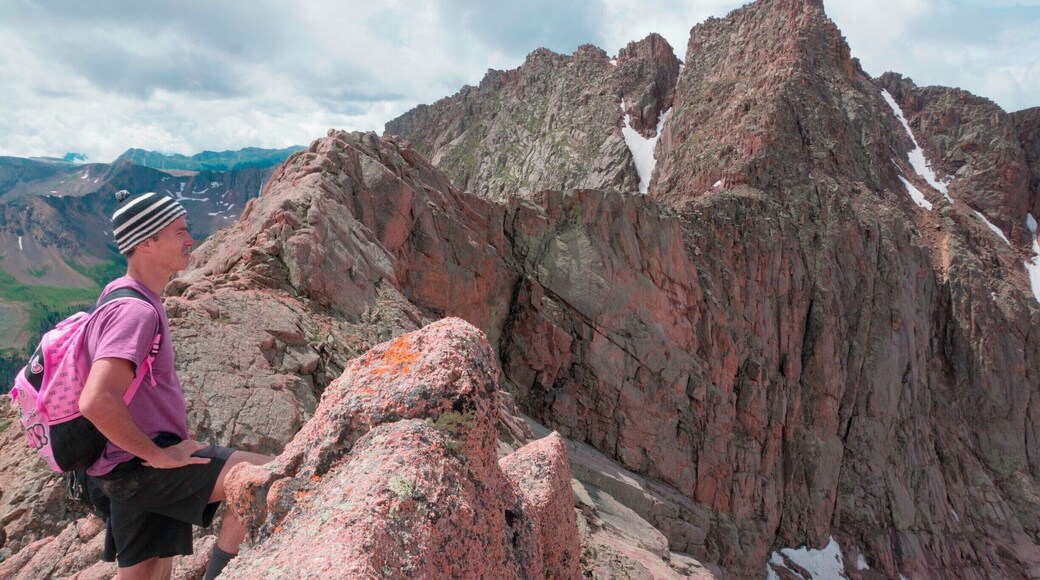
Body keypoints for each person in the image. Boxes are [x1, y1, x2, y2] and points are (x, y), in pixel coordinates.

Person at [80, 191, 271, 580]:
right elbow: (96, 400)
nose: (191, 239)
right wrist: (159, 456)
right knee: (260, 476)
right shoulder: (135, 311)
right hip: (139, 467)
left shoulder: (121, 292)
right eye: (180, 231)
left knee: (146, 574)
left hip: (121, 465)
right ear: (147, 241)